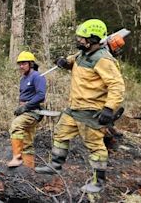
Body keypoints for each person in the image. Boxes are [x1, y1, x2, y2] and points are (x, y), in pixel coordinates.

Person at [34, 19, 125, 193]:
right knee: (60, 134)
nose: (78, 40)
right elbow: (73, 61)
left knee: (95, 146)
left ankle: (98, 182)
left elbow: (117, 85)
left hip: (91, 111)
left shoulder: (103, 60)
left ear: (92, 39)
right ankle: (55, 166)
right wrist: (64, 62)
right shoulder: (83, 54)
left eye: (81, 38)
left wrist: (109, 108)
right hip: (74, 108)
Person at [8, 51, 46, 168]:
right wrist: (20, 107)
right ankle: (29, 170)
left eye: (24, 63)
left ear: (30, 63)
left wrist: (26, 106)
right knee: (27, 142)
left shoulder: (37, 76)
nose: (21, 66)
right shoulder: (23, 79)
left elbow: (41, 95)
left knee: (16, 125)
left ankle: (17, 157)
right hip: (26, 111)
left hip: (33, 112)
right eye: (20, 64)